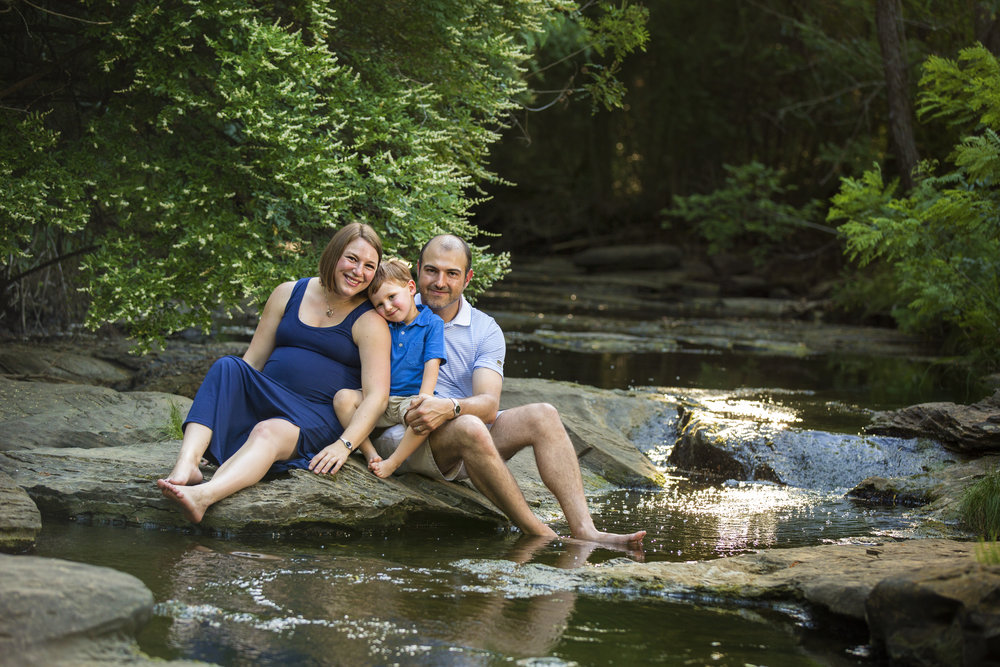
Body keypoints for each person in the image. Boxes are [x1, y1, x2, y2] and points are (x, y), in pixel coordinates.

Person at [372, 234, 646, 546]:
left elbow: (489, 404)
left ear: (468, 278)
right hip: (402, 433)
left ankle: (585, 530)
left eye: (452, 274)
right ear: (417, 271)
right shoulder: (391, 305)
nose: (439, 282)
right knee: (471, 426)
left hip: (462, 435)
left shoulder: (484, 329)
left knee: (543, 415)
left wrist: (448, 407)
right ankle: (542, 536)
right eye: (431, 271)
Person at [157, 222, 391, 523]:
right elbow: (252, 361)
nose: (359, 271)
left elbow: (376, 397)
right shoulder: (287, 293)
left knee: (269, 431)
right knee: (228, 365)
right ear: (333, 255)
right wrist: (220, 420)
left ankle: (204, 496)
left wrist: (344, 445)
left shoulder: (370, 321)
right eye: (352, 259)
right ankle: (187, 465)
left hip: (317, 417)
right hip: (269, 396)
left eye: (369, 266)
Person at [333, 258, 446, 478]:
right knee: (342, 399)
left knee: (424, 415)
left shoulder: (432, 324)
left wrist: (424, 396)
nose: (388, 307)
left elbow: (432, 362)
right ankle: (369, 453)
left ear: (411, 288)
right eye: (379, 304)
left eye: (392, 297)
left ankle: (393, 463)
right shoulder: (381, 324)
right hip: (378, 401)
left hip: (409, 400)